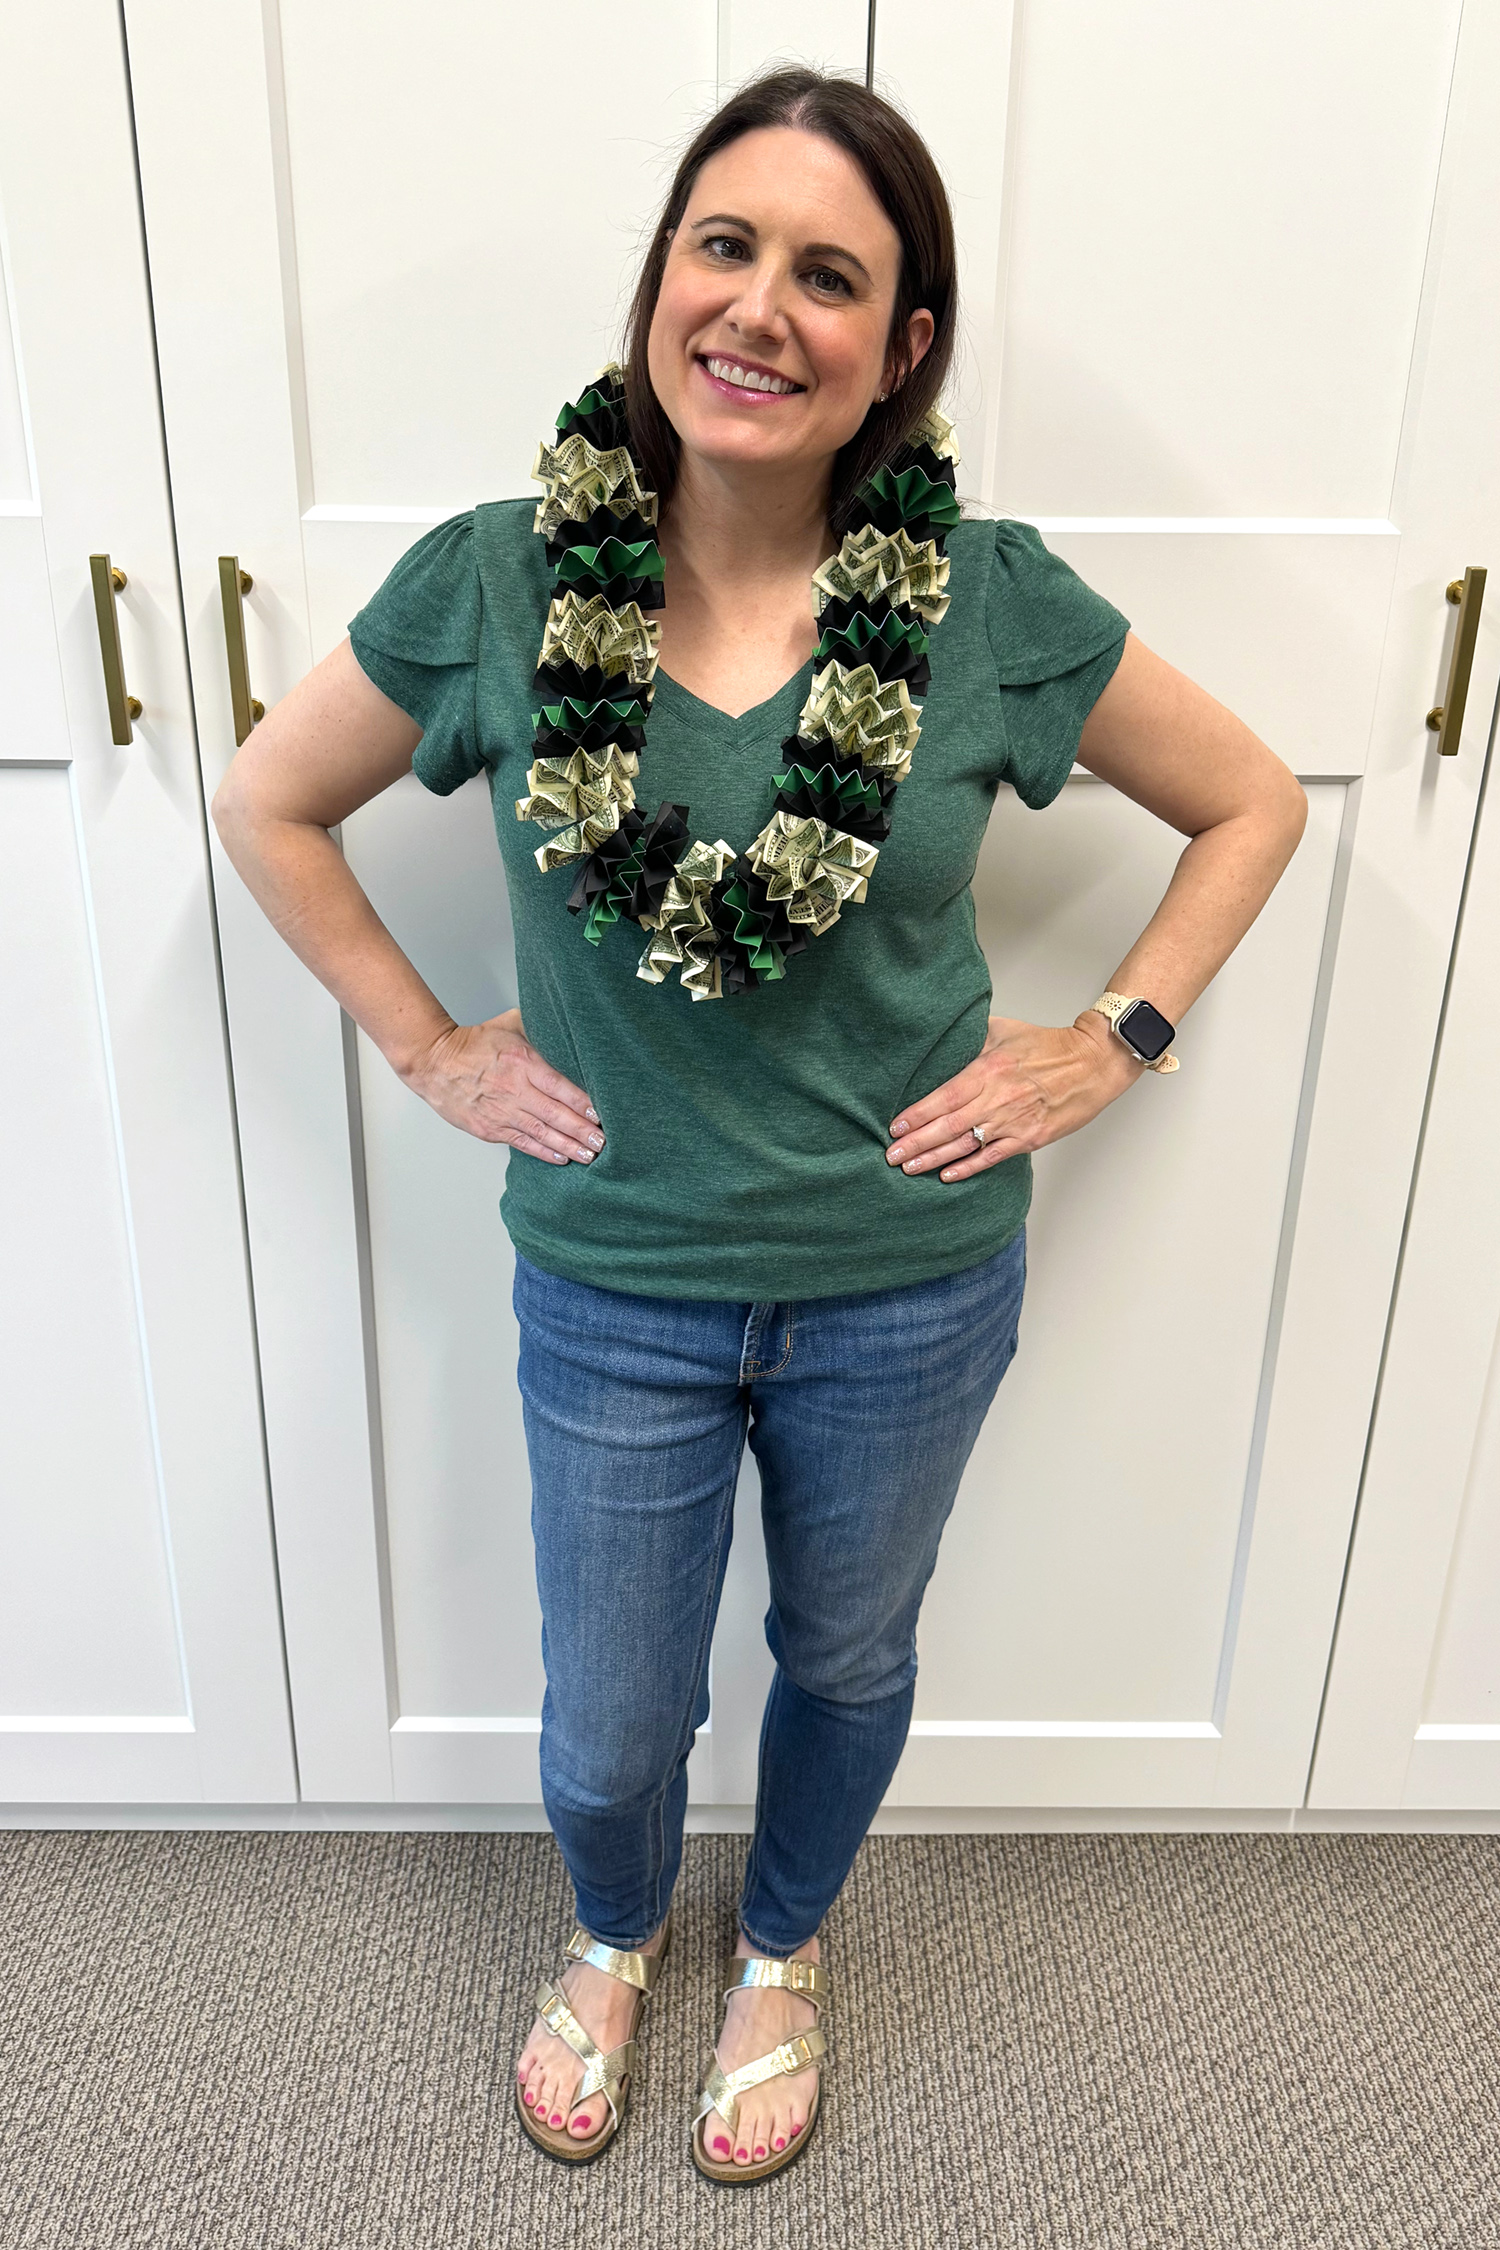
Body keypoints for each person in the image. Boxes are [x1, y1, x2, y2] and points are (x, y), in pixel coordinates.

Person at [212, 67, 1306, 2184]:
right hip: (613, 1275)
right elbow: (266, 799)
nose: (761, 308)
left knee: (849, 1648)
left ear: (901, 349)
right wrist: (433, 1046)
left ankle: (785, 1947)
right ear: (661, 285)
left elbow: (1250, 801)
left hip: (902, 1281)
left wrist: (1118, 1036)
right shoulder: (505, 580)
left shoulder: (984, 600)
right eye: (726, 246)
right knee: (614, 1712)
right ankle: (618, 1932)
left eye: (831, 274)